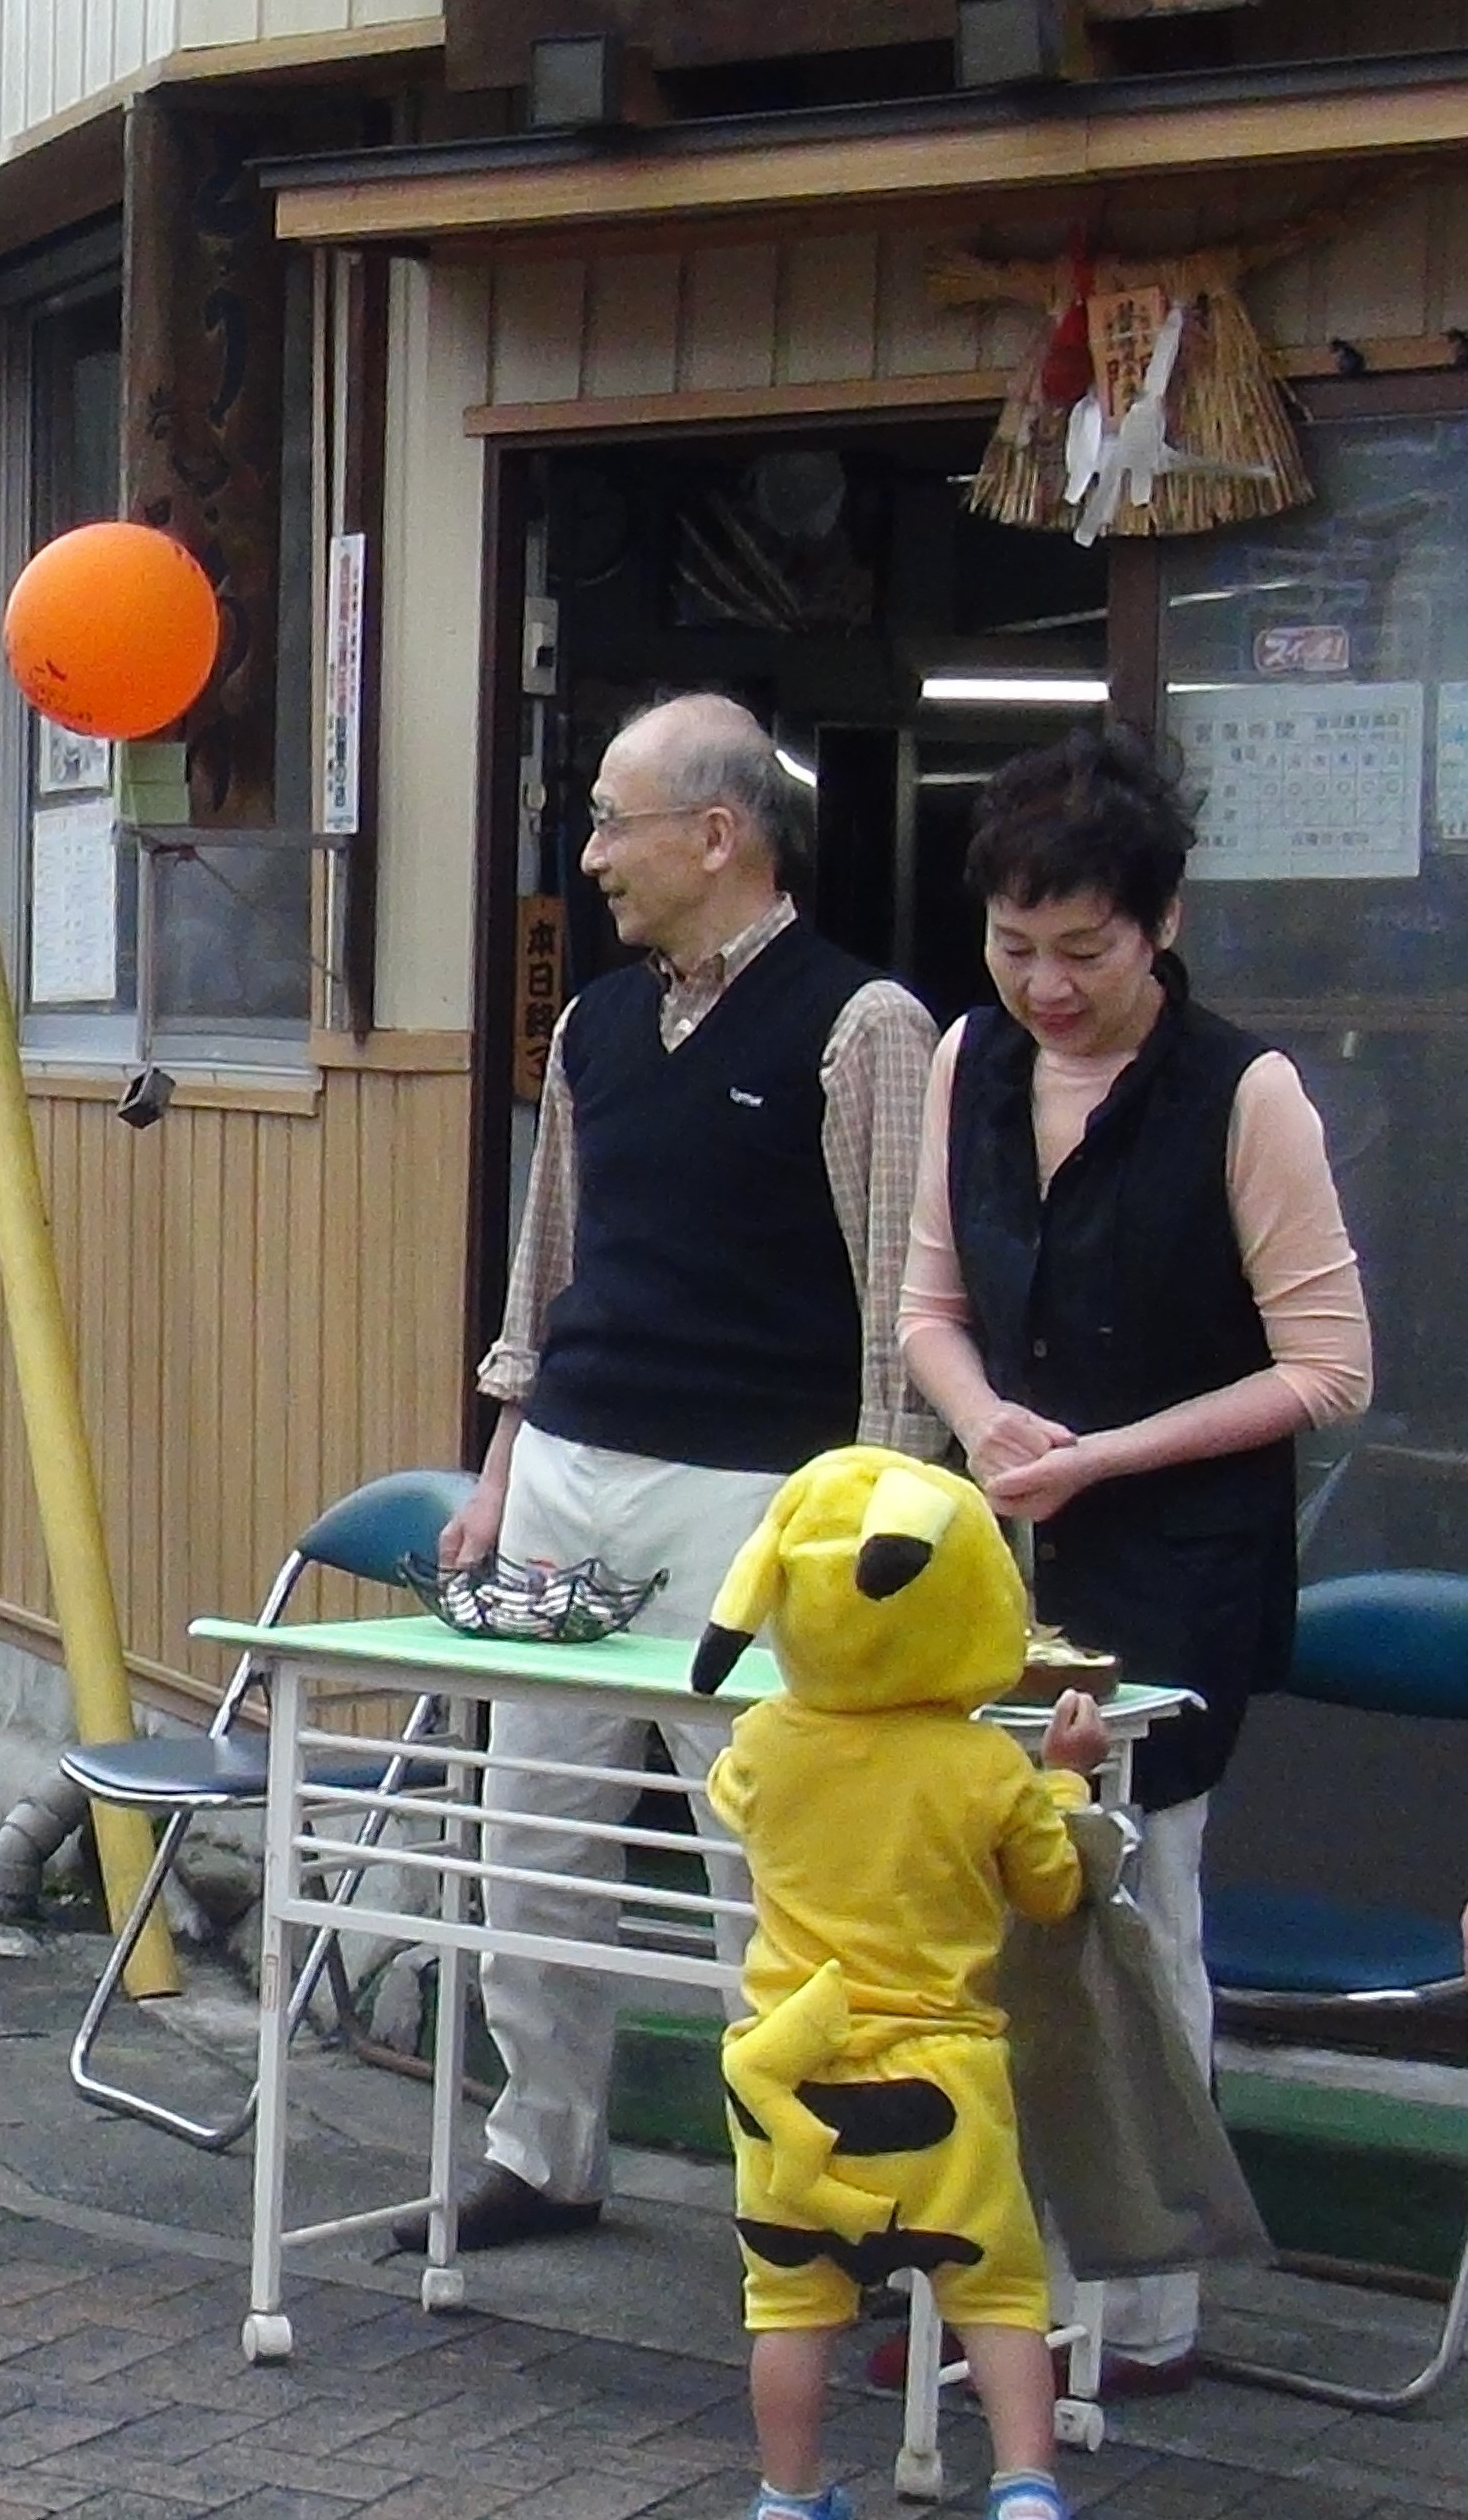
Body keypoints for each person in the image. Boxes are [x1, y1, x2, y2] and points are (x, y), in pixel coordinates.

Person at [421, 690, 938, 2253]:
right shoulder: (590, 1023)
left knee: (765, 1865)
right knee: (531, 1833)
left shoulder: (864, 1026)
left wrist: (885, 1526)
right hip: (571, 1461)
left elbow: (901, 1305)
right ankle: (542, 2146)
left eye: (608, 824)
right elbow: (547, 1271)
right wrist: (497, 1467)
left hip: (762, 1494)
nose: (587, 857)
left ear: (716, 835)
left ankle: (805, 2187)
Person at [897, 720, 1371, 2390]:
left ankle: (1143, 2310)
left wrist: (1101, 1454)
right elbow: (926, 1305)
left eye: (1084, 951)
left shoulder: (1243, 1093)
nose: (1046, 985)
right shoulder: (968, 1060)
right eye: (1013, 946)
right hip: (1004, 1553)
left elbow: (1328, 1369)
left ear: (1160, 926)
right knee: (975, 1904)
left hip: (1173, 1565)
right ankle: (993, 2286)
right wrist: (985, 1423)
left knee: (1134, 1909)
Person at [691, 1448, 1103, 2520]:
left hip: (789, 2082)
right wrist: (1068, 1784)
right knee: (998, 2294)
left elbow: (738, 1797)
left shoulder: (762, 1743)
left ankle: (789, 2496)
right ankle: (1024, 2488)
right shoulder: (986, 1767)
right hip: (942, 2079)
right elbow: (1052, 1891)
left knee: (788, 2308)